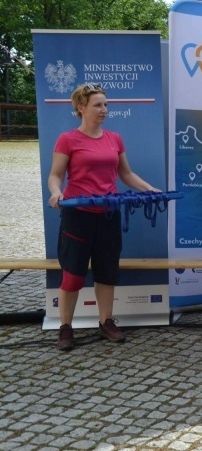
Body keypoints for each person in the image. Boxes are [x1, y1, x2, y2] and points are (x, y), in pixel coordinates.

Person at [48, 83, 160, 351]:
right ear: (81, 108)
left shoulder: (114, 138)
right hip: (78, 215)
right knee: (73, 275)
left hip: (108, 214)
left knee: (106, 272)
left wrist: (150, 190)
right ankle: (65, 328)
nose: (104, 110)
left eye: (105, 104)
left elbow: (126, 174)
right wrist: (56, 193)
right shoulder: (67, 139)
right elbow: (55, 175)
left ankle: (106, 321)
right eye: (98, 105)